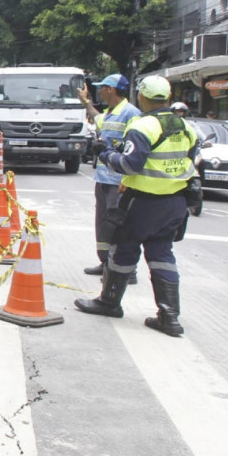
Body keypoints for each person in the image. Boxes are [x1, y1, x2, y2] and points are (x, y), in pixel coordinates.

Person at [75, 76, 199, 338]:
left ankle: (109, 302)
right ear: (168, 96)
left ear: (142, 96)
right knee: (162, 256)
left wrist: (106, 154)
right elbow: (190, 162)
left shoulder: (144, 127)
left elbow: (130, 165)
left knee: (122, 252)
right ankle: (170, 317)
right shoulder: (186, 126)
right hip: (175, 203)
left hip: (143, 202)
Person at [77, 74, 141, 279]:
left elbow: (135, 148)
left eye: (102, 88)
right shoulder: (112, 112)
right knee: (104, 223)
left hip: (119, 181)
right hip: (104, 178)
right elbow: (98, 120)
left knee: (118, 225)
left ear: (111, 90)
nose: (100, 92)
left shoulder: (131, 114)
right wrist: (85, 102)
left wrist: (126, 179)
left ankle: (124, 269)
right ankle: (106, 262)